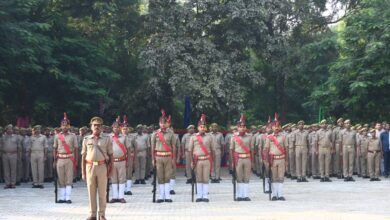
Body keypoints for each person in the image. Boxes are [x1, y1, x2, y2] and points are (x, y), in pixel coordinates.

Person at [82, 116, 113, 220]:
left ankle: (102, 214)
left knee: (102, 192)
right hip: (89, 166)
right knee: (91, 191)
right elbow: (83, 156)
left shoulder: (107, 139)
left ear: (102, 127)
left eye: (99, 125)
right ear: (91, 127)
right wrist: (83, 172)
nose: (97, 127)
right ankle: (92, 214)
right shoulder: (86, 139)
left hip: (102, 166)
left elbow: (111, 155)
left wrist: (110, 170)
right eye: (95, 125)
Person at [151, 110, 177, 203]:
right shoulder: (155, 134)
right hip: (158, 157)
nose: (162, 125)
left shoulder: (171, 134)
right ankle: (161, 196)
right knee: (160, 177)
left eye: (164, 123)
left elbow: (174, 146)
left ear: (167, 123)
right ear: (159, 123)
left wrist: (174, 158)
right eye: (161, 123)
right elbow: (153, 147)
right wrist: (153, 159)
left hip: (168, 157)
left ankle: (168, 196)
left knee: (167, 176)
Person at [189, 114, 215, 202]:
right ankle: (199, 196)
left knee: (206, 178)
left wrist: (213, 161)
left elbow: (213, 149)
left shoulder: (210, 137)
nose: (202, 128)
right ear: (198, 127)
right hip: (197, 160)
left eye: (204, 127)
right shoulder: (193, 137)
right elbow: (190, 150)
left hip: (207, 160)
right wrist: (191, 162)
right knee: (199, 178)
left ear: (206, 128)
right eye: (201, 127)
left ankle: (205, 196)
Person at [53, 113, 78, 203]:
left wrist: (76, 161)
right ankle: (62, 197)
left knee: (69, 178)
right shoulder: (57, 136)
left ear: (69, 126)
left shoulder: (73, 136)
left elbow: (76, 149)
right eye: (63, 125)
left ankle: (68, 197)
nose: (64, 127)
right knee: (61, 178)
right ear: (61, 126)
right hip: (60, 158)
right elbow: (55, 149)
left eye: (66, 125)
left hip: (69, 159)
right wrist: (54, 160)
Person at [264, 113, 287, 201]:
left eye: (278, 126)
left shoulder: (283, 137)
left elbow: (286, 149)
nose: (276, 128)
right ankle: (274, 194)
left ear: (280, 127)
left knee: (280, 177)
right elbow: (266, 149)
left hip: (281, 159)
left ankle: (280, 194)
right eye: (274, 126)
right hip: (272, 160)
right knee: (273, 177)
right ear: (272, 127)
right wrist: (266, 161)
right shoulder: (269, 137)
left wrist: (286, 160)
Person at [109, 116, 132, 203]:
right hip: (113, 161)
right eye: (115, 127)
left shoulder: (124, 137)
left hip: (122, 161)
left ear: (120, 128)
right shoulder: (109, 137)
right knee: (114, 179)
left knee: (122, 179)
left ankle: (121, 196)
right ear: (112, 128)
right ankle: (115, 196)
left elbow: (129, 150)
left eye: (118, 127)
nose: (116, 128)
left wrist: (128, 161)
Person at [230, 114, 253, 201]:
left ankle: (245, 195)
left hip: (247, 158)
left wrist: (253, 161)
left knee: (246, 177)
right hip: (238, 159)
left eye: (244, 126)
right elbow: (231, 150)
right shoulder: (233, 137)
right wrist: (232, 162)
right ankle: (239, 195)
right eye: (240, 126)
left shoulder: (250, 137)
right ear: (237, 127)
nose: (242, 128)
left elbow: (252, 150)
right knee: (239, 177)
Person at [1, 124, 21, 189]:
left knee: (13, 170)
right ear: (6, 130)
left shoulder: (16, 137)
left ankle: (13, 183)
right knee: (6, 170)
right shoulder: (3, 137)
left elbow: (19, 147)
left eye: (11, 129)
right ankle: (7, 183)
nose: (9, 130)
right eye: (8, 129)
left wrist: (18, 156)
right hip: (5, 154)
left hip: (13, 154)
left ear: (12, 130)